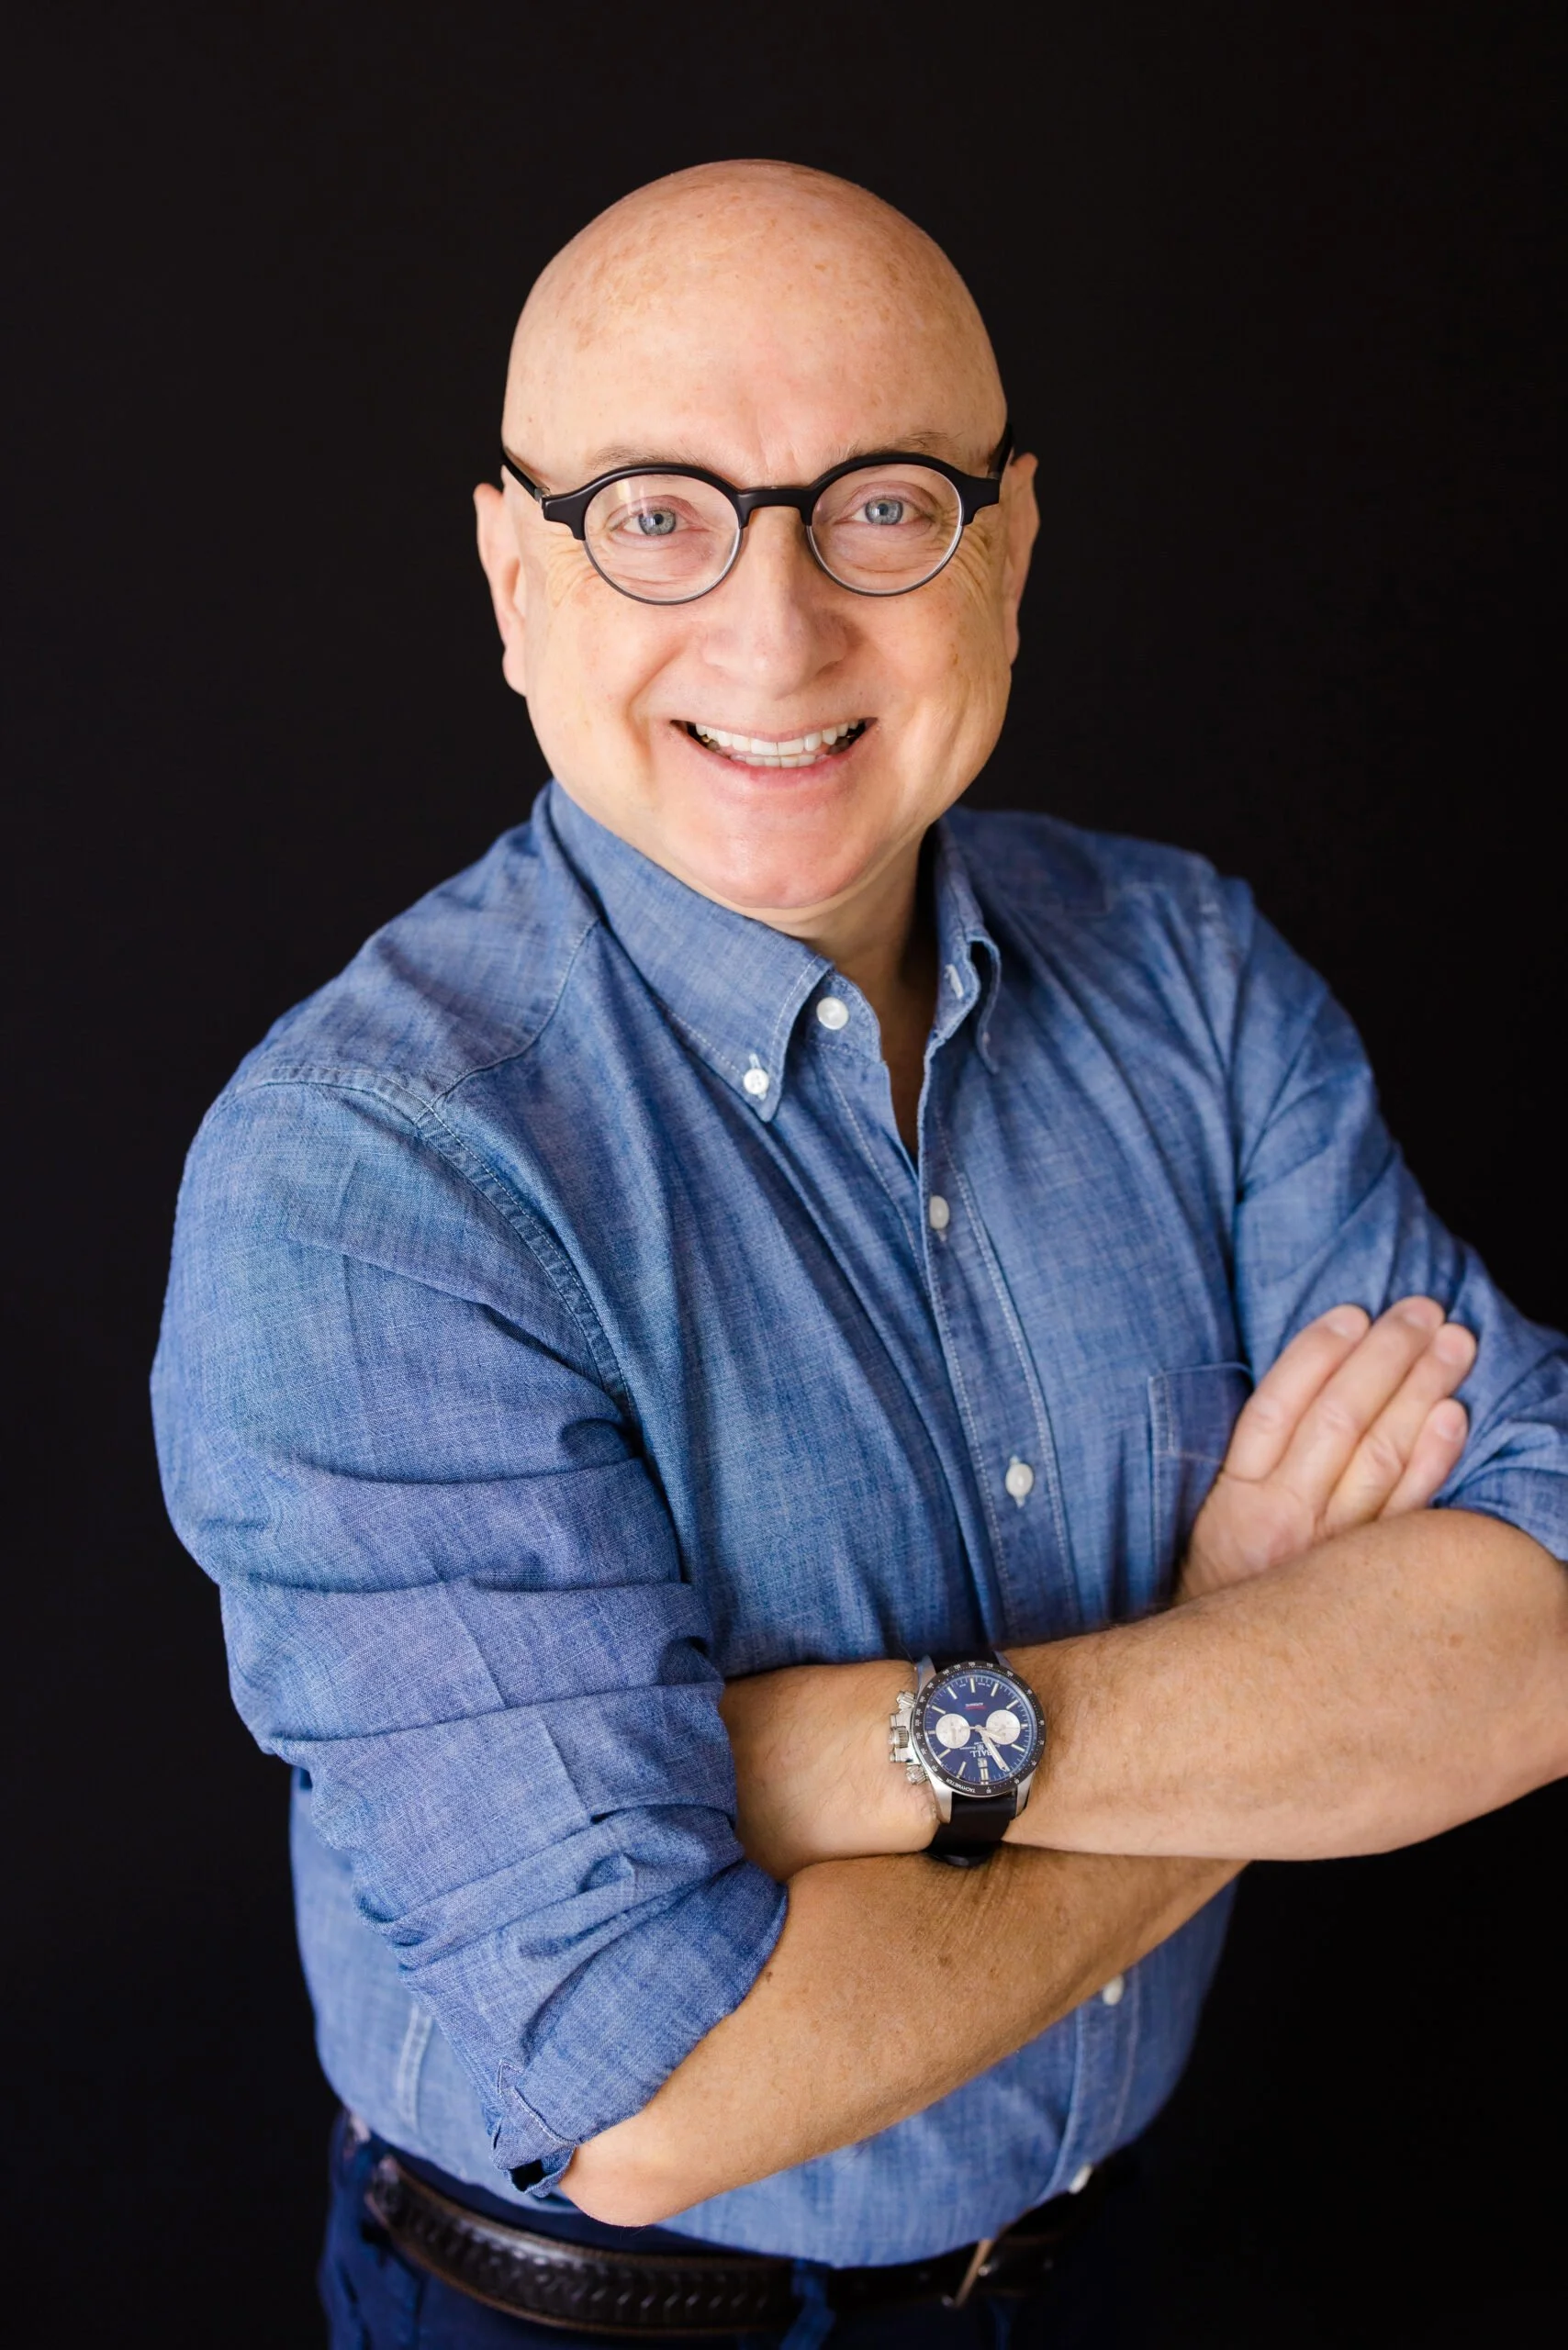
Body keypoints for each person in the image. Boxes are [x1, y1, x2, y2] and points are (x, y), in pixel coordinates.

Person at [152, 162, 1568, 2345]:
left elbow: (1540, 1622)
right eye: (653, 515)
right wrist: (1250, 1693)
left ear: (1008, 545)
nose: (774, 632)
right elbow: (648, 2086)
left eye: (879, 506)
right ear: (513, 577)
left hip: (1098, 2265)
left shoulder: (1186, 976)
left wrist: (868, 1751)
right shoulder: (370, 1175)